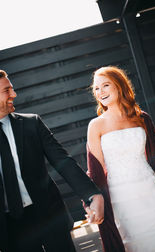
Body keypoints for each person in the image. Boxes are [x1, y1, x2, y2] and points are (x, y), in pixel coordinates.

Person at [0, 69, 104, 252]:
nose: (14, 94)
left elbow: (63, 160)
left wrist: (91, 194)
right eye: (6, 90)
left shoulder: (32, 123)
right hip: (11, 229)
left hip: (49, 216)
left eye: (12, 89)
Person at [86, 66, 155, 252]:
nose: (100, 92)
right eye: (96, 88)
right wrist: (92, 203)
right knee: (132, 244)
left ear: (119, 86)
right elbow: (95, 171)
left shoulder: (141, 119)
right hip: (120, 199)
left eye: (105, 85)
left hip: (151, 192)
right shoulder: (96, 125)